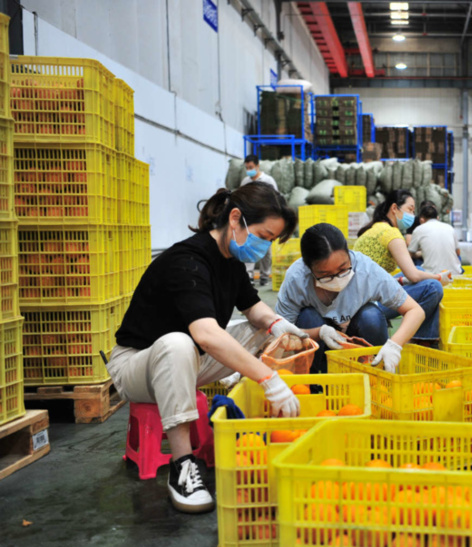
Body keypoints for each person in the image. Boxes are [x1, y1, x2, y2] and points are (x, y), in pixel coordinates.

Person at [107, 182, 304, 514]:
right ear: (236, 218)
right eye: (263, 236)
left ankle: (264, 414)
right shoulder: (188, 260)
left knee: (266, 332)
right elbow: (206, 335)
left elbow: (253, 308)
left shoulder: (230, 260)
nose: (264, 248)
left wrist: (276, 324)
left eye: (270, 242)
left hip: (186, 363)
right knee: (179, 342)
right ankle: (183, 467)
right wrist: (267, 379)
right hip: (137, 366)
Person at [275, 223, 425, 373]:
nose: (337, 278)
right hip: (318, 348)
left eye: (343, 268)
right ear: (309, 269)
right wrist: (319, 332)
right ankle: (311, 383)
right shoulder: (297, 279)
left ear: (349, 254)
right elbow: (282, 333)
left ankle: (375, 372)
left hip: (356, 344)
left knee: (371, 316)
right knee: (308, 316)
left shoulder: (366, 270)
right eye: (325, 275)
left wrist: (394, 345)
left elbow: (415, 310)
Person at [354, 190, 445, 343]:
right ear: (394, 208)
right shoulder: (391, 234)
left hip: (362, 294)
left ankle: (422, 334)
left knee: (421, 272)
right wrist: (438, 277)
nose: (413, 215)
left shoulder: (374, 228)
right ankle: (420, 338)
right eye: (410, 209)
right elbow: (413, 275)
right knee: (433, 287)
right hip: (369, 304)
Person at [240, 154, 278, 286]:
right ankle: (248, 275)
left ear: (257, 166)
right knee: (248, 245)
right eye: (247, 167)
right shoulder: (245, 182)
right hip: (250, 218)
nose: (249, 170)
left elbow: (276, 198)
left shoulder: (268, 180)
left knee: (265, 248)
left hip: (266, 218)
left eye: (251, 167)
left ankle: (264, 275)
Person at [408, 201, 462, 276]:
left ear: (421, 219)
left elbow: (410, 253)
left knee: (414, 262)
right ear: (437, 218)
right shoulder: (450, 228)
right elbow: (458, 252)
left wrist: (422, 252)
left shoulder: (419, 229)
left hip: (432, 274)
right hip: (454, 273)